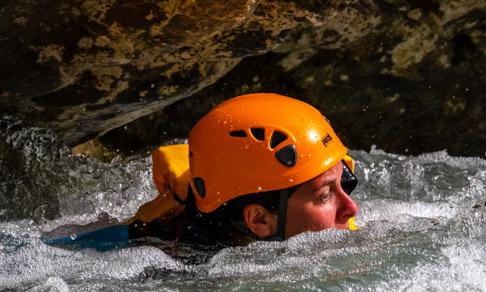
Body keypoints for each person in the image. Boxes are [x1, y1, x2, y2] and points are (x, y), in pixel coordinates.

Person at [46, 93, 359, 251]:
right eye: (323, 196)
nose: (351, 208)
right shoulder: (157, 273)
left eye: (344, 182)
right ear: (259, 220)